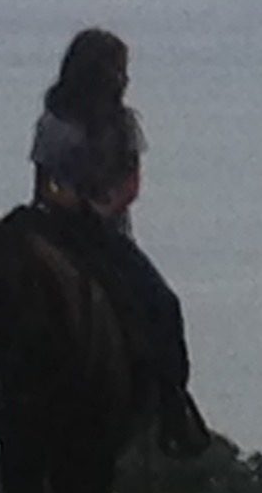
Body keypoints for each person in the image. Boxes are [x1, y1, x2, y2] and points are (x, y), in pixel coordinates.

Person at [28, 27, 191, 419]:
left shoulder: (124, 125)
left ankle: (173, 405)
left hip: (107, 236)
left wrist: (103, 208)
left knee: (163, 304)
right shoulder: (55, 124)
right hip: (58, 230)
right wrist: (69, 202)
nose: (124, 78)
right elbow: (43, 184)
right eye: (117, 69)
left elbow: (131, 182)